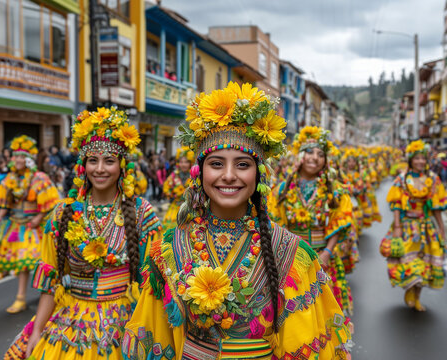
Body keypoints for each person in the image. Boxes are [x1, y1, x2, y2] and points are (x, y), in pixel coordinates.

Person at [122, 82, 352, 359]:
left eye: (242, 164)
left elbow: (299, 343)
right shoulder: (170, 248)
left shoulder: (289, 251)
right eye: (216, 164)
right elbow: (156, 337)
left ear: (259, 175)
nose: (229, 175)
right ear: (199, 173)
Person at [4, 107, 162, 359]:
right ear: (83, 165)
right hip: (70, 322)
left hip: (125, 324)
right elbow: (51, 282)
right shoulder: (61, 214)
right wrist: (37, 330)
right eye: (93, 160)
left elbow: (151, 286)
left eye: (109, 161)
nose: (100, 169)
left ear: (122, 165)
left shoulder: (142, 213)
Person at [270, 126, 355, 318]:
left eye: (320, 154)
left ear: (326, 162)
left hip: (322, 256)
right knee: (294, 312)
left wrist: (327, 253)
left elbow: (337, 223)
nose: (314, 158)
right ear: (299, 156)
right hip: (290, 257)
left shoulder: (334, 191)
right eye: (309, 152)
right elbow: (276, 224)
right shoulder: (282, 189)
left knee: (322, 311)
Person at [0, 135, 60, 313]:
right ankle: (20, 298)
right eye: (16, 156)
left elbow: (52, 202)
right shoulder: (10, 179)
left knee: (46, 262)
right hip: (17, 226)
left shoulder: (39, 178)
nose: (18, 160)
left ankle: (53, 291)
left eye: (22, 157)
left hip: (36, 226)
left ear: (29, 160)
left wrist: (39, 217)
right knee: (22, 264)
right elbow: (5, 204)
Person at [381, 139, 447, 311]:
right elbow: (396, 204)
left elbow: (436, 207)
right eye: (417, 158)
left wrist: (441, 227)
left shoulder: (433, 180)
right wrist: (397, 226)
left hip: (426, 228)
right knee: (408, 262)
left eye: (423, 158)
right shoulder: (402, 179)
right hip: (406, 226)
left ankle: (417, 296)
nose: (420, 162)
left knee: (425, 263)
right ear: (411, 159)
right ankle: (409, 289)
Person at [161, 146, 193, 230]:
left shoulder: (194, 177)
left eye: (186, 162)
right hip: (175, 207)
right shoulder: (174, 175)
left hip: (191, 209)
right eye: (181, 162)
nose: (183, 164)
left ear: (190, 163)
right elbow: (166, 188)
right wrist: (171, 195)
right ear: (178, 163)